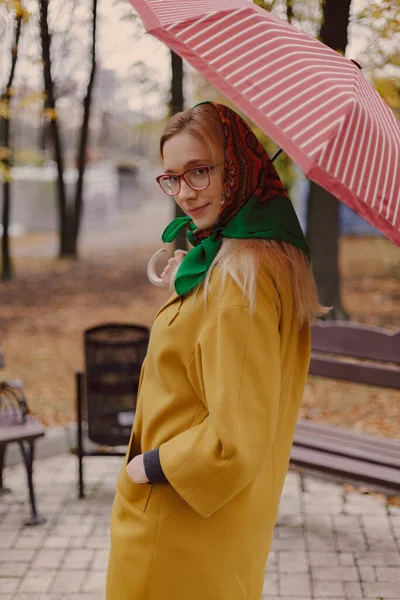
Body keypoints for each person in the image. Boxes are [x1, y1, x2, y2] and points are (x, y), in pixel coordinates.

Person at [106, 101, 327, 600]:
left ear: (237, 167)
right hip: (220, 521)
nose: (185, 193)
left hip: (178, 523)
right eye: (172, 178)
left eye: (200, 172)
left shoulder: (239, 277)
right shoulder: (259, 257)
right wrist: (197, 279)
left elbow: (235, 436)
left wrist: (153, 466)